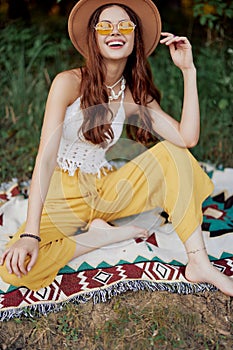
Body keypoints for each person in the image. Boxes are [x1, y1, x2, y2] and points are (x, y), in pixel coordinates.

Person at [0, 0, 232, 295]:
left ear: (135, 38)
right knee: (14, 268)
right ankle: (98, 237)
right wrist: (30, 233)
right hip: (62, 195)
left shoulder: (133, 94)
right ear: (93, 37)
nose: (115, 32)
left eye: (124, 26)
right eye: (105, 26)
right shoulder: (68, 83)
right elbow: (45, 159)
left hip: (104, 189)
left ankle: (200, 264)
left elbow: (186, 138)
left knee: (174, 154)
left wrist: (188, 70)